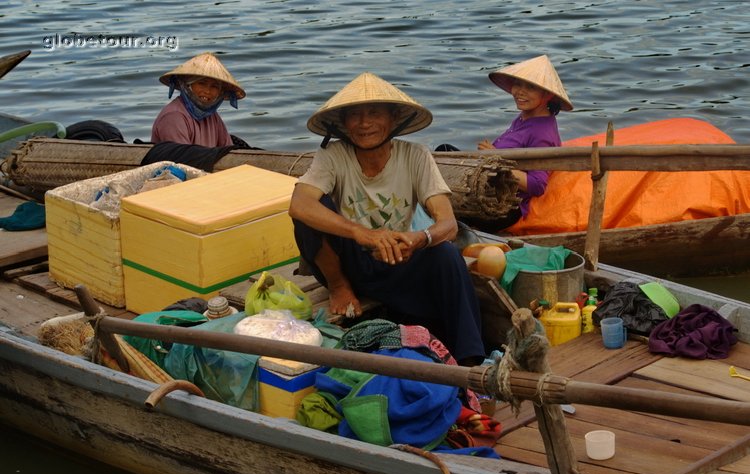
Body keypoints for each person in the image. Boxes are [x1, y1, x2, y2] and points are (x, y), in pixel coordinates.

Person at [289, 72, 485, 366]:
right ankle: (340, 288)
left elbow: (448, 223)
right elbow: (299, 204)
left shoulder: (415, 156)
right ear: (344, 124)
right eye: (355, 115)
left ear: (393, 120)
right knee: (313, 212)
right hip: (345, 262)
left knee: (445, 253)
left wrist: (420, 239)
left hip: (397, 257)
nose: (364, 123)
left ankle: (471, 363)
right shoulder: (333, 156)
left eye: (374, 113)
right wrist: (361, 234)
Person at [463, 55, 573, 232]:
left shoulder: (541, 133)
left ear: (547, 95)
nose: (520, 92)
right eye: (518, 84)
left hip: (503, 207)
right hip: (490, 191)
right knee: (444, 151)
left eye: (530, 87)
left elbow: (537, 186)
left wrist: (495, 160)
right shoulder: (526, 117)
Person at [151, 52, 245, 148]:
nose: (207, 91)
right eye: (201, 83)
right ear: (188, 85)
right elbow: (182, 158)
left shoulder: (212, 116)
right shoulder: (173, 116)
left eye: (214, 86)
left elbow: (227, 149)